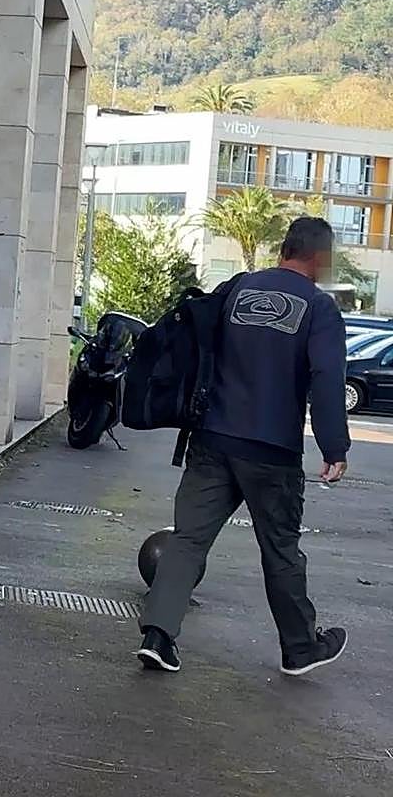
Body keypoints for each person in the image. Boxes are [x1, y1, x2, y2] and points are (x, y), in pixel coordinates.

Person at [136, 217, 350, 676]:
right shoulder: (318, 307)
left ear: (284, 250)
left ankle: (158, 634)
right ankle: (299, 649)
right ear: (320, 257)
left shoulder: (236, 289)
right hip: (271, 450)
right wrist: (335, 447)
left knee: (188, 539)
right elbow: (327, 379)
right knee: (280, 549)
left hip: (212, 437)